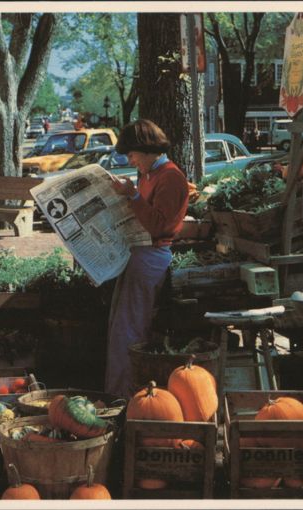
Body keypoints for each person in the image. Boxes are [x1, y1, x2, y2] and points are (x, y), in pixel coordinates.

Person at [107, 119, 190, 398]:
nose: (131, 161)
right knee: (123, 327)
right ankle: (122, 391)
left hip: (152, 255)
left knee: (131, 329)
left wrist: (132, 195)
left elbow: (159, 225)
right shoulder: (149, 174)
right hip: (138, 253)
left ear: (146, 150)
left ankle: (128, 396)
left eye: (132, 155)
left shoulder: (170, 176)